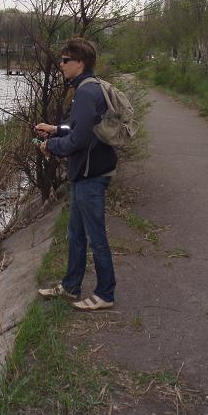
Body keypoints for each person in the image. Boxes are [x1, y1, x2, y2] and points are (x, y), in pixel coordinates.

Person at [35, 38, 117, 311]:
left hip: (90, 173)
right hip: (88, 171)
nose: (61, 65)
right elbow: (78, 127)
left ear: (79, 62)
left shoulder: (84, 93)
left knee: (95, 237)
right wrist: (55, 130)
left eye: (65, 60)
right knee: (76, 234)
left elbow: (79, 141)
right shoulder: (90, 87)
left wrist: (51, 146)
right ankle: (71, 286)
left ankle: (105, 293)